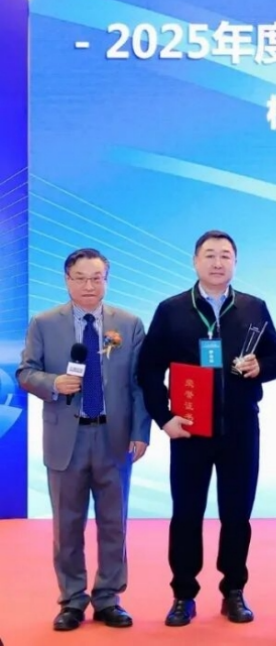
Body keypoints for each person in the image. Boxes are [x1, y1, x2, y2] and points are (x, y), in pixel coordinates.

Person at [137, 230, 276, 627]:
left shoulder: (253, 307)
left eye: (225, 256)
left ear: (235, 262)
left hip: (241, 431)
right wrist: (164, 418)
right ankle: (183, 594)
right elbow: (149, 370)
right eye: (210, 255)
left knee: (237, 515)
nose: (218, 263)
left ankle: (233, 591)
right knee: (186, 514)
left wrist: (261, 367)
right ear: (195, 261)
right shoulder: (171, 310)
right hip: (189, 431)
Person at [17, 248, 150, 632]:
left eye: (97, 278)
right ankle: (72, 600)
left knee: (114, 524)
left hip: (114, 437)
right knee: (67, 526)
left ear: (107, 280)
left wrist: (140, 432)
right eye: (81, 278)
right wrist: (53, 383)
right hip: (66, 440)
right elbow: (25, 372)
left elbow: (140, 383)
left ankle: (108, 598)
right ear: (67, 280)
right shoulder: (44, 323)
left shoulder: (129, 324)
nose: (89, 285)